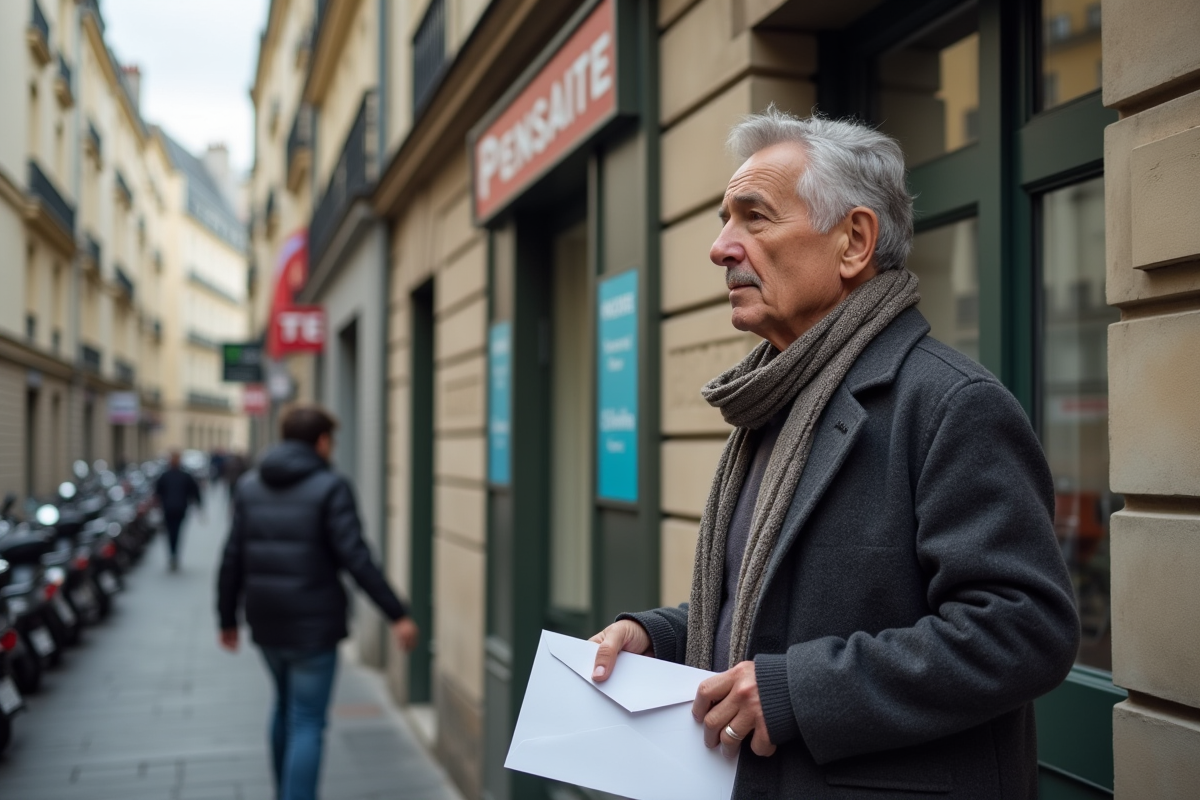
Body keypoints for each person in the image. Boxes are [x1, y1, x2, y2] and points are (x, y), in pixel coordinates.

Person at [589, 109, 1079, 799]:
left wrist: (801, 692)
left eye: (753, 218)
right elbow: (773, 605)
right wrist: (660, 635)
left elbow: (1025, 630)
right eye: (724, 219)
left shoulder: (949, 403)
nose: (721, 248)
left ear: (853, 241)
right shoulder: (775, 401)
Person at [216, 405, 418, 800]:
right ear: (322, 441)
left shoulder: (250, 486)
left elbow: (232, 557)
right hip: (313, 626)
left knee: (284, 707)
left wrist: (226, 619)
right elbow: (356, 557)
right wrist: (397, 613)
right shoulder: (331, 486)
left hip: (266, 621)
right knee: (307, 719)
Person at [154, 450, 202, 572]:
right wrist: (199, 505)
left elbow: (157, 492)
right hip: (177, 508)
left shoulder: (167, 475)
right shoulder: (183, 476)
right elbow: (194, 491)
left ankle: (173, 554)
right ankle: (174, 554)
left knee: (172, 533)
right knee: (175, 532)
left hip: (172, 509)